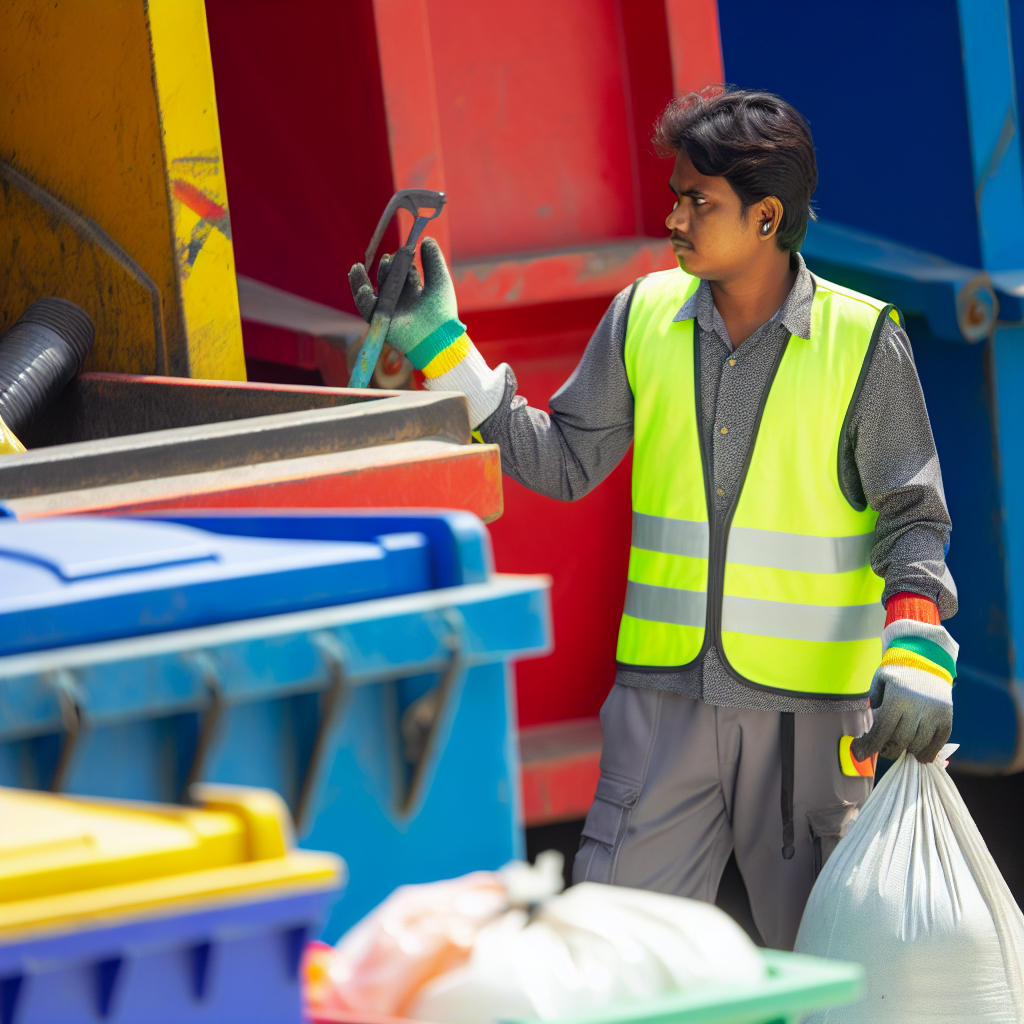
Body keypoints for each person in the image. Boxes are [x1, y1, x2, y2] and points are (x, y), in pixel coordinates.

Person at [349, 87, 958, 950]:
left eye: (696, 201)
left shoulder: (863, 343)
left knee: (835, 975)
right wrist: (446, 353)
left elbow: (912, 516)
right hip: (661, 709)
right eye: (675, 195)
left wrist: (920, 648)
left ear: (766, 217)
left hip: (812, 724)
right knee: (605, 961)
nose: (672, 217)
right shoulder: (642, 316)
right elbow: (561, 463)